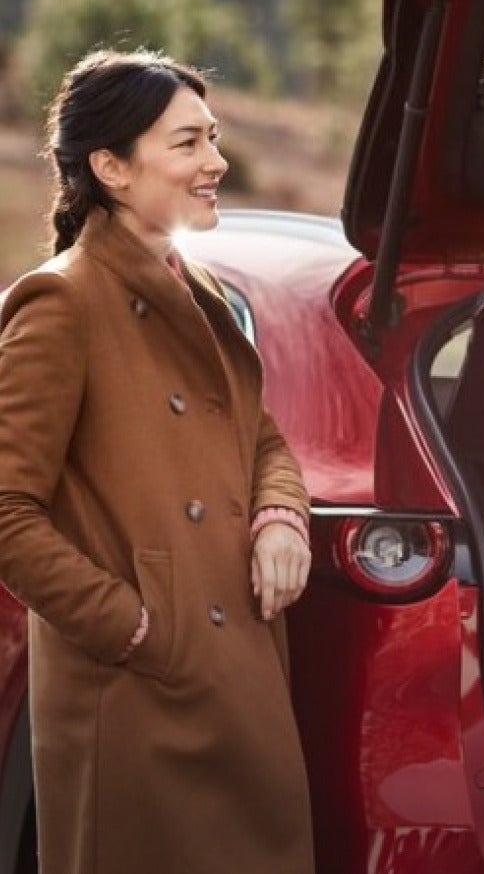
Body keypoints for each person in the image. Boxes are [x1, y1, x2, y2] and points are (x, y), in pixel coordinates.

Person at [0, 49, 315, 874]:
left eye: (212, 138)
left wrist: (283, 517)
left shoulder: (199, 289)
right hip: (139, 697)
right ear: (111, 167)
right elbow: (6, 511)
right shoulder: (61, 302)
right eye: (186, 144)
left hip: (233, 676)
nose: (216, 162)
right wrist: (136, 628)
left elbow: (262, 437)